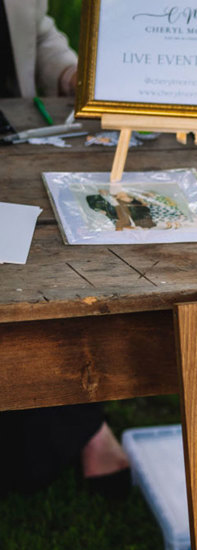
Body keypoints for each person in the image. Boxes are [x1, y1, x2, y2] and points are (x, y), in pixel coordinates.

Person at [0, 0, 130, 496]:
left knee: (71, 253)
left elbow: (37, 31)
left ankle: (79, 419)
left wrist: (71, 72)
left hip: (20, 137)